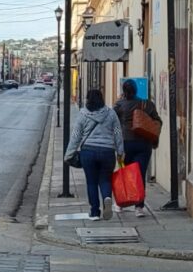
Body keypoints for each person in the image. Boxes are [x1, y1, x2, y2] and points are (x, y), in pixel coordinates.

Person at [65, 89, 124, 221]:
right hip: (108, 152)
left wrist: (69, 153)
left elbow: (76, 135)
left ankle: (94, 212)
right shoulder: (111, 113)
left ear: (88, 100)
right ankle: (107, 198)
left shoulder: (83, 114)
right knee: (105, 179)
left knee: (91, 182)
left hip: (88, 152)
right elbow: (118, 133)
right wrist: (120, 152)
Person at [113, 79, 162, 217]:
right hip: (143, 144)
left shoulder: (119, 105)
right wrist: (154, 139)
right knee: (140, 175)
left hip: (125, 144)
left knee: (124, 173)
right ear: (136, 90)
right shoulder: (146, 104)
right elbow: (157, 122)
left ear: (123, 90)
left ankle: (120, 203)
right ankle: (139, 207)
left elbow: (111, 121)